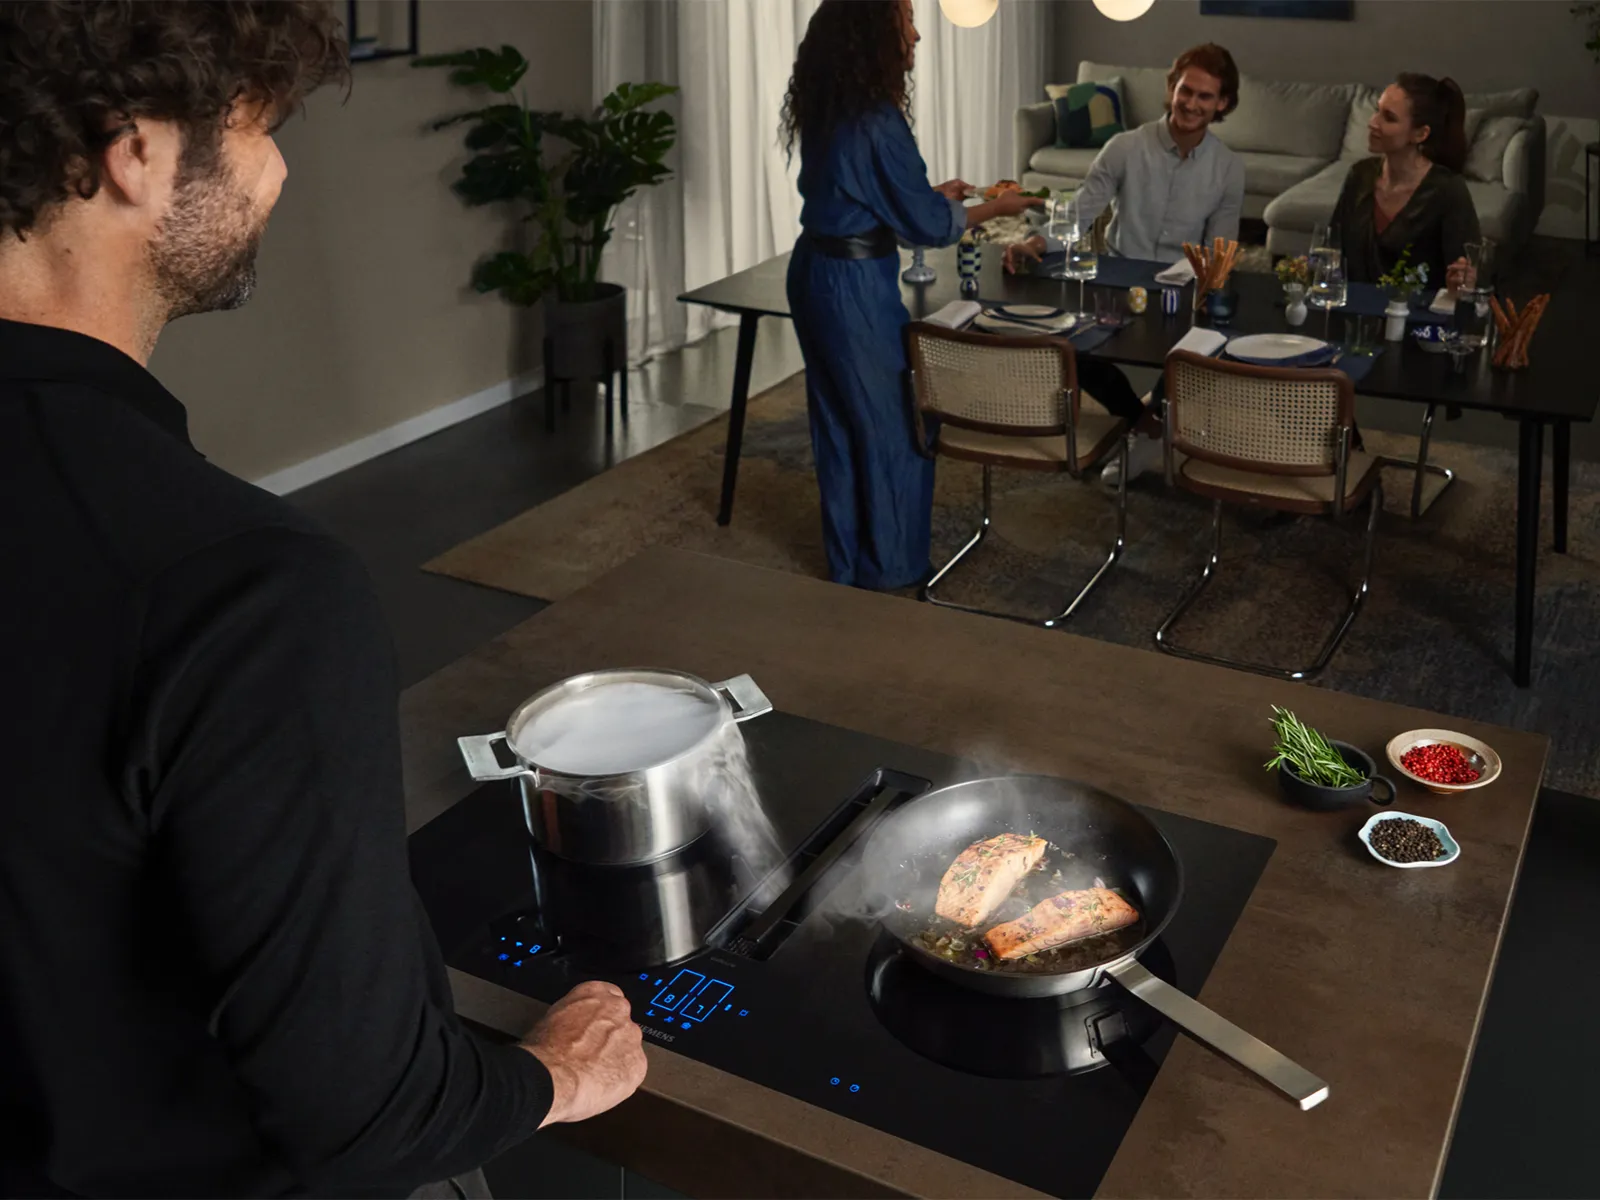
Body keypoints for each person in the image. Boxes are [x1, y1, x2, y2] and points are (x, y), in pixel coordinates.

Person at [0, 5, 645, 1198]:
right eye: (258, 124)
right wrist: (555, 1073)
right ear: (129, 148)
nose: (280, 169)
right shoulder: (241, 589)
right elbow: (370, 1119)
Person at [780, 0, 1042, 590]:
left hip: (813, 270)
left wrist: (930, 195)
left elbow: (868, 192)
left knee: (839, 421)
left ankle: (849, 560)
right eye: (907, 22)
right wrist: (995, 208)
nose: (918, 35)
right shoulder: (876, 118)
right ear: (876, 33)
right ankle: (893, 570)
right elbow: (925, 225)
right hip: (852, 288)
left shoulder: (831, 103)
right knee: (895, 425)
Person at [1002, 44, 1246, 488]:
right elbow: (1078, 216)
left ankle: (1149, 422)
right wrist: (1036, 241)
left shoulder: (1229, 168)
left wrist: (1207, 288)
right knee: (1069, 349)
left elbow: (1218, 251)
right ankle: (1144, 423)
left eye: (1205, 97)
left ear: (1222, 103)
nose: (1191, 104)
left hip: (1181, 292)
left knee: (1200, 359)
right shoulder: (1124, 148)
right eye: (1185, 91)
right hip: (1113, 285)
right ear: (1172, 88)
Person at [1330, 73, 1479, 290]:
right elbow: (1333, 247)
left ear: (1420, 134)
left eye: (1388, 117)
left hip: (1416, 318)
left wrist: (1463, 280)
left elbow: (1466, 274)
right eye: (1376, 111)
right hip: (1353, 313)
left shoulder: (1447, 191)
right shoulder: (1360, 175)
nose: (1373, 123)